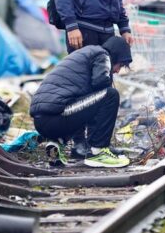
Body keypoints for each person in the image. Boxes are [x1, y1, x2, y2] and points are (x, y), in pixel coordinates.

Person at [30, 35, 132, 168]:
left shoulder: (83, 55)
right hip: (58, 115)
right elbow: (100, 82)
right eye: (121, 65)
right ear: (116, 55)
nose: (118, 70)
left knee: (82, 101)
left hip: (41, 122)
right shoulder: (103, 54)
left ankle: (56, 142)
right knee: (110, 95)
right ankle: (99, 152)